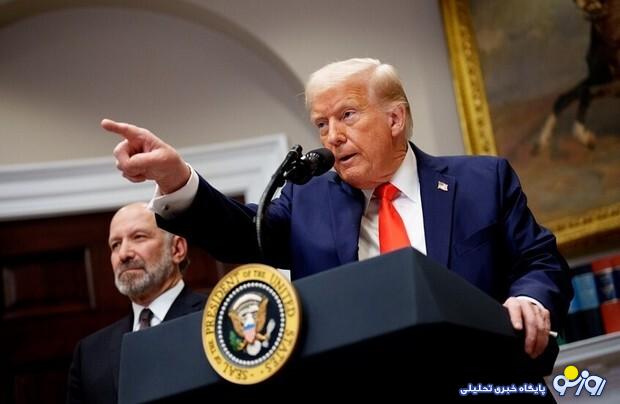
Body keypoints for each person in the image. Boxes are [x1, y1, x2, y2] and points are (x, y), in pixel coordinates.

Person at [102, 58, 572, 362]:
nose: (333, 136)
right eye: (321, 124)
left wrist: (529, 300)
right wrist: (176, 178)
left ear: (395, 118)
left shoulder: (481, 181)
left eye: (347, 115)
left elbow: (541, 261)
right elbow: (243, 233)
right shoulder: (309, 200)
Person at [66, 203, 205, 404]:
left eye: (139, 237)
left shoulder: (216, 320)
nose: (123, 254)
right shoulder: (89, 353)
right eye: (115, 245)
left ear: (177, 249)